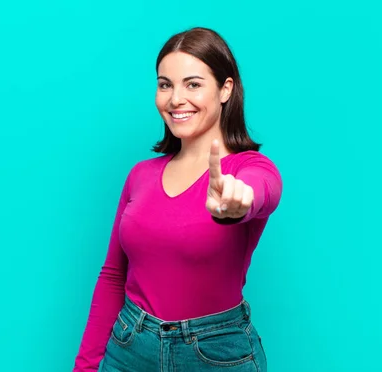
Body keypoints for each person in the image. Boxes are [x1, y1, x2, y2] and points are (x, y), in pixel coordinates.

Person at [73, 27, 283, 371]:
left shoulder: (249, 169)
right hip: (129, 346)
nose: (175, 99)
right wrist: (85, 366)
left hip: (215, 354)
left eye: (193, 84)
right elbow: (113, 275)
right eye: (165, 84)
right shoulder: (140, 175)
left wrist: (239, 200)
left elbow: (263, 190)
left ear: (225, 89)